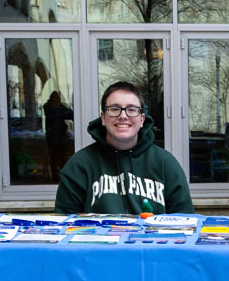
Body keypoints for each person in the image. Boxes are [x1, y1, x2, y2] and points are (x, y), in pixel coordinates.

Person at [55, 81, 194, 214]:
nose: (123, 116)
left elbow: (186, 223)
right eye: (114, 109)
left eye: (131, 109)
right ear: (103, 117)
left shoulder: (166, 164)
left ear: (142, 119)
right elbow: (64, 224)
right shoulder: (79, 166)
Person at [42, 90, 73, 181]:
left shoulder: (58, 107)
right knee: (54, 157)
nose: (58, 100)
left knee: (62, 157)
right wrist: (62, 107)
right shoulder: (49, 107)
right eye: (57, 98)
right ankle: (55, 176)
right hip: (53, 137)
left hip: (60, 136)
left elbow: (71, 114)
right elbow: (55, 114)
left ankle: (62, 175)